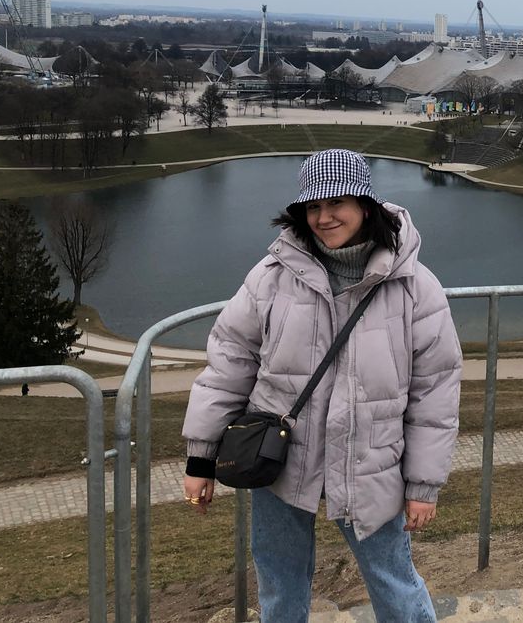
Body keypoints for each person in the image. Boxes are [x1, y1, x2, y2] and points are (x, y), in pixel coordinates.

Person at [181, 149, 462, 622]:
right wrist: (200, 457)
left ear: (366, 206)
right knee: (279, 582)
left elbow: (434, 392)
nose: (324, 217)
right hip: (280, 462)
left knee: (394, 582)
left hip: (371, 463)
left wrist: (423, 485)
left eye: (337, 204)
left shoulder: (415, 286)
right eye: (313, 207)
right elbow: (229, 362)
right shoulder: (272, 277)